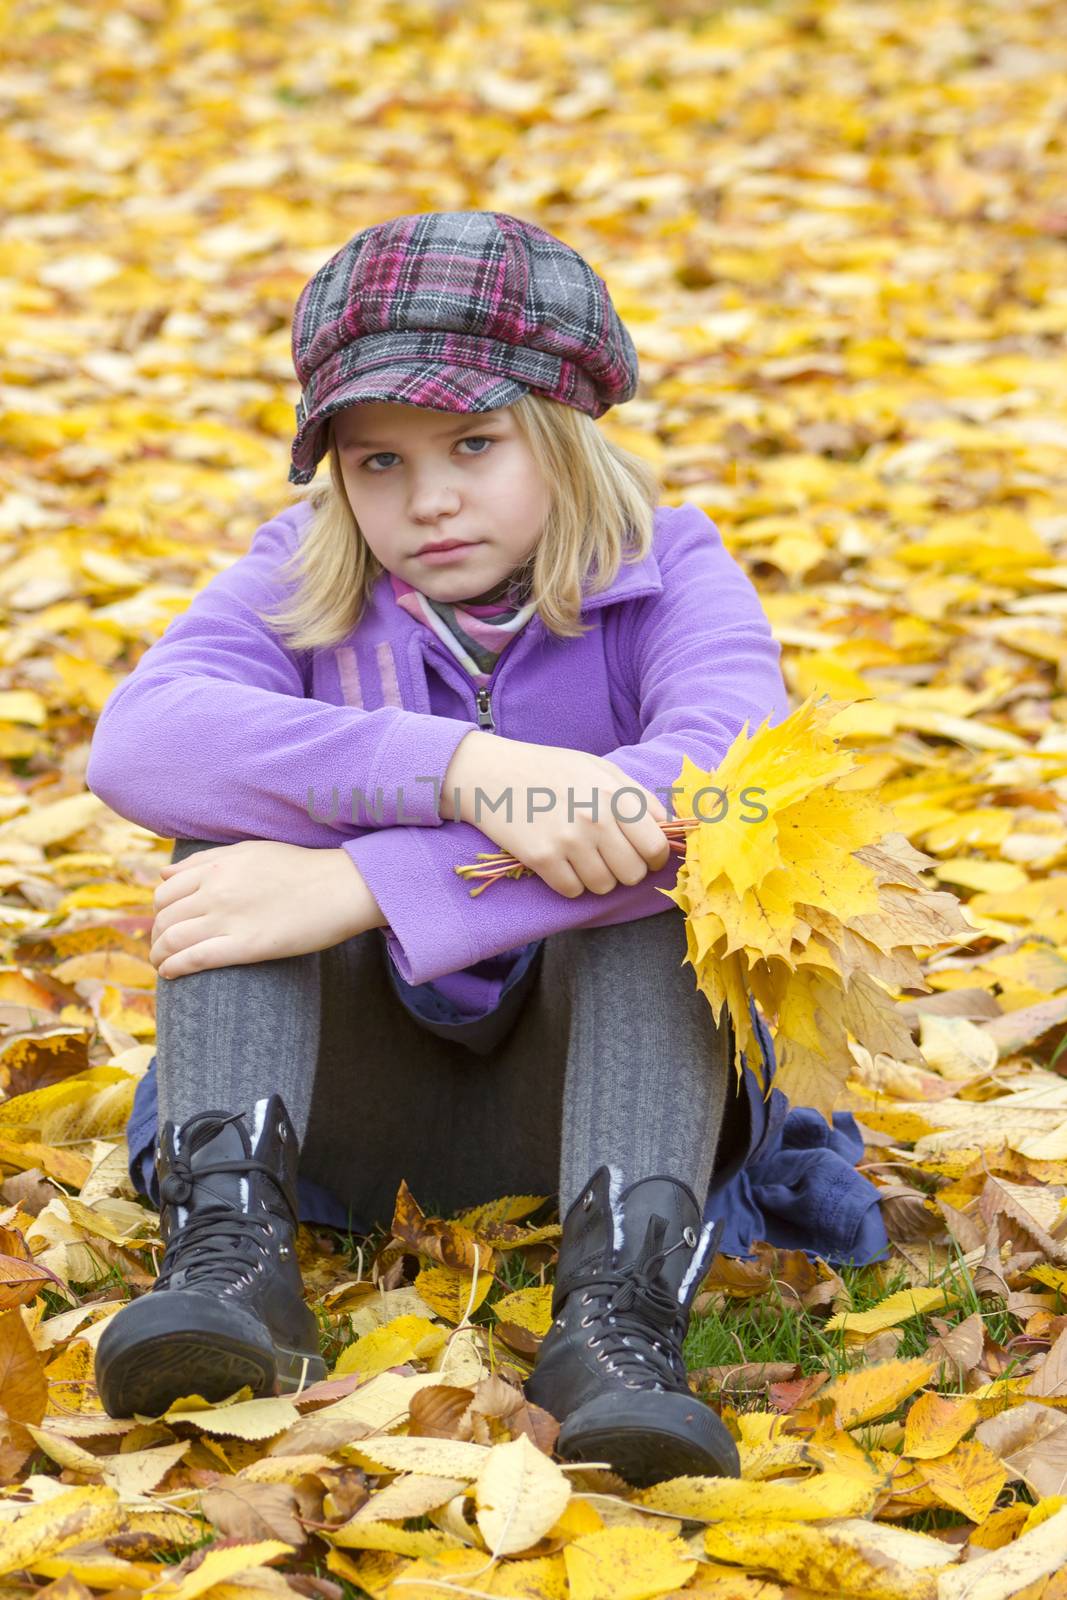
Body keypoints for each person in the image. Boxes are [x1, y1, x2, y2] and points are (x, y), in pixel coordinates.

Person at [86, 209, 792, 1486]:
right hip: (345, 1105)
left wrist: (366, 877)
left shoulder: (670, 575)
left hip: (591, 1109)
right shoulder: (304, 576)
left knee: (669, 885)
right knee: (226, 833)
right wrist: (468, 772)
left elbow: (733, 796)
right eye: (378, 463)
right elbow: (139, 741)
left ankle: (618, 1322)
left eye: (474, 442)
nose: (429, 499)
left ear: (567, 431)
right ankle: (232, 1262)